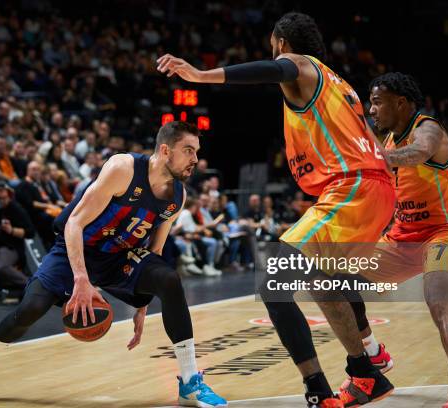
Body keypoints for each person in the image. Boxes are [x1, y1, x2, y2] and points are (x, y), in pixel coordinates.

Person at [158, 12, 395, 407]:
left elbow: (270, 70)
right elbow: (377, 145)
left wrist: (200, 76)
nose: (274, 50)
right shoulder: (343, 87)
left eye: (274, 43)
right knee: (329, 279)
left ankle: (320, 390)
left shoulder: (300, 66)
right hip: (373, 188)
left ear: (281, 42)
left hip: (352, 187)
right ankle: (368, 365)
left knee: (274, 281)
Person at [0, 121, 227, 408]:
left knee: (169, 279)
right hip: (74, 249)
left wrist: (143, 301)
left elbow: (155, 249)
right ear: (165, 151)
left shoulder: (177, 197)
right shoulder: (123, 169)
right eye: (188, 150)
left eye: (196, 152)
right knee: (30, 309)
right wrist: (81, 278)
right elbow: (75, 223)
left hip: (118, 258)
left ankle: (190, 383)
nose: (195, 159)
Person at [356, 72, 448, 407]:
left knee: (438, 301)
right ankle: (373, 356)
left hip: (445, 232)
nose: (372, 109)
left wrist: (376, 158)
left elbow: (419, 152)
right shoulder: (387, 141)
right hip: (401, 238)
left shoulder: (428, 130)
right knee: (332, 277)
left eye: (377, 101)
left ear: (401, 103)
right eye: (370, 102)